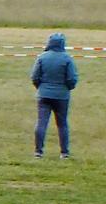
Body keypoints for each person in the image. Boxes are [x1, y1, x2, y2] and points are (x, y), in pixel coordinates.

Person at [31, 31, 77, 159]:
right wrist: (68, 88)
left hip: (43, 94)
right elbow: (72, 79)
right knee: (62, 124)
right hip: (62, 96)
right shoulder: (67, 58)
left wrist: (40, 87)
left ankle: (38, 151)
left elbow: (34, 76)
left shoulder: (42, 57)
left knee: (41, 123)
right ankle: (64, 152)